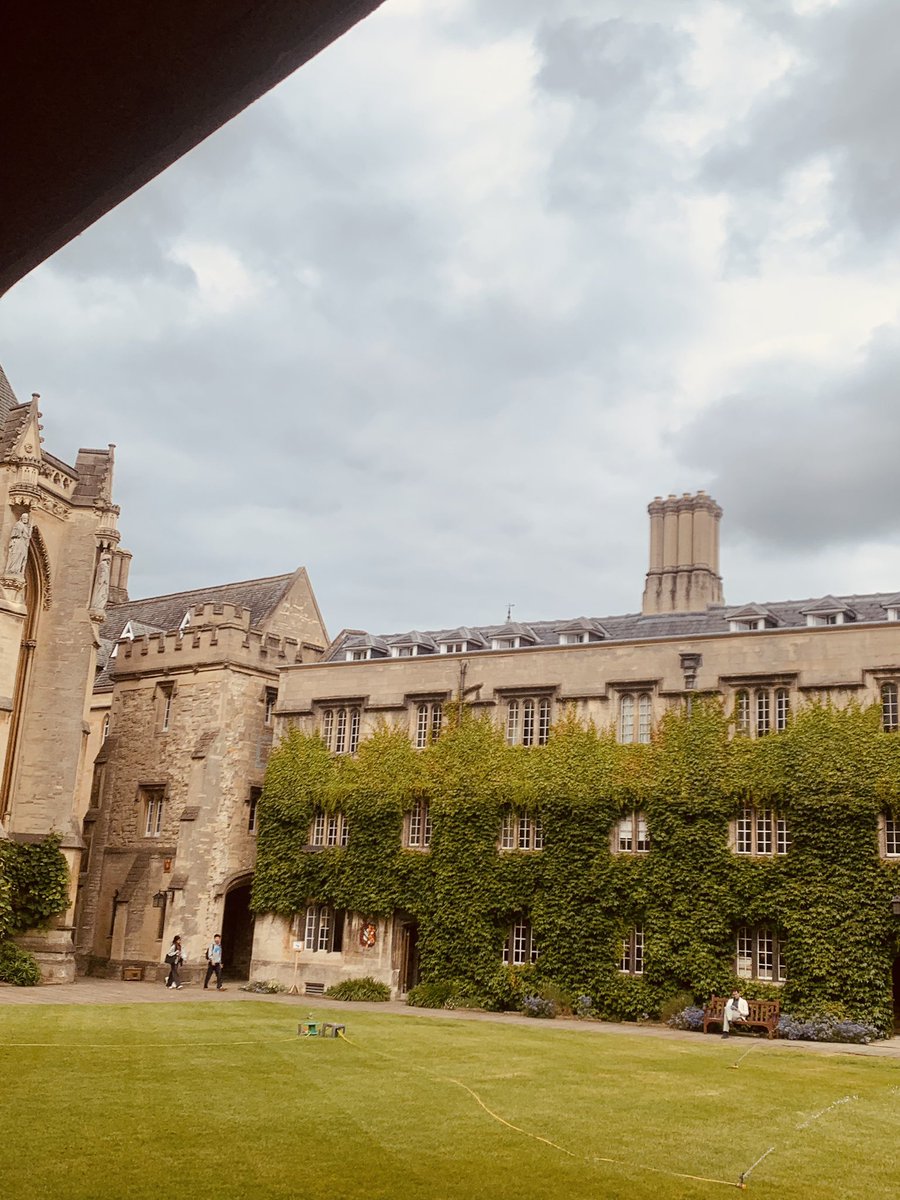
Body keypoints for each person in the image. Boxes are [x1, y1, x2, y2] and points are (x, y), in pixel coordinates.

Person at [4, 512, 31, 577]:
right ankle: (12, 569)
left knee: (21, 556)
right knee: (15, 555)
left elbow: (27, 536)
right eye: (24, 518)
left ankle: (17, 570)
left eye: (26, 518)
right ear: (21, 518)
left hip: (23, 544)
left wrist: (28, 532)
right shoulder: (18, 524)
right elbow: (16, 533)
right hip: (18, 542)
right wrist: (24, 530)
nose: (25, 519)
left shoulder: (27, 527)